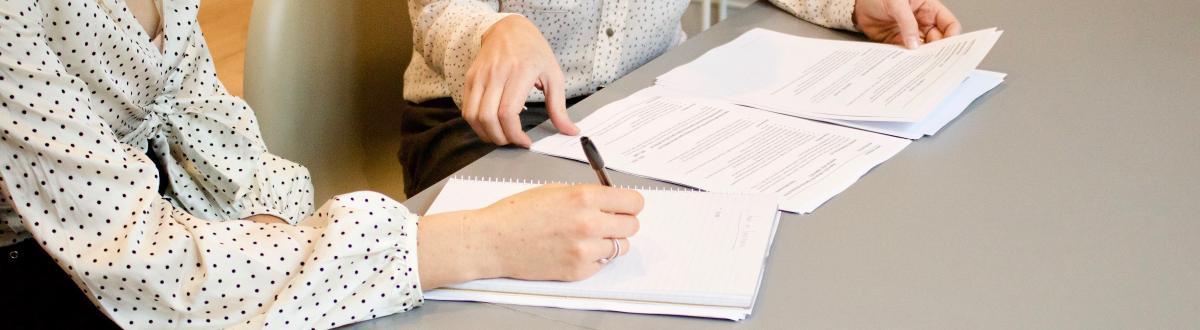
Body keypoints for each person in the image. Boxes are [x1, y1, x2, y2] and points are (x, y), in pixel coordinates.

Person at [0, 0, 642, 328]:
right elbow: (142, 263)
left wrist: (284, 238)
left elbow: (213, 133)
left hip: (145, 223)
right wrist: (474, 244)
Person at [400, 0, 962, 196]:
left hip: (648, 98)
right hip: (482, 116)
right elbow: (437, 11)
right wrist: (496, 32)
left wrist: (853, 4)